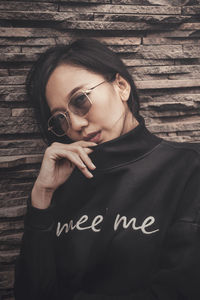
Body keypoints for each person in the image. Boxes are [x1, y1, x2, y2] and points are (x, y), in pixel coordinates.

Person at [14, 38, 200, 300]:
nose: (76, 124)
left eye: (80, 100)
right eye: (60, 118)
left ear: (121, 86)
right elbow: (31, 293)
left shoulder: (189, 168)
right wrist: (41, 196)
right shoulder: (62, 184)